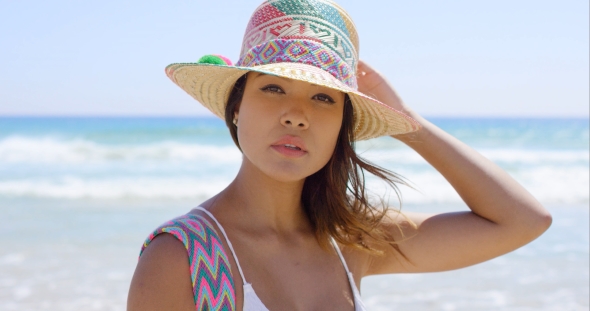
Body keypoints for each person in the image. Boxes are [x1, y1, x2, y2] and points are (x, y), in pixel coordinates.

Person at [127, 1, 552, 310]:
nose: (297, 116)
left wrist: (410, 124)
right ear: (235, 107)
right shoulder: (182, 258)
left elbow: (523, 221)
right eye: (273, 88)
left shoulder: (348, 240)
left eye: (323, 99)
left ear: (341, 128)